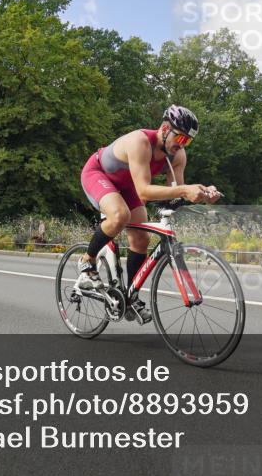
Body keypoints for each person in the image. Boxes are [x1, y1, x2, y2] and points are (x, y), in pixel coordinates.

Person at [77, 105, 221, 322]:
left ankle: (130, 296)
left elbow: (175, 195)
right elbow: (145, 190)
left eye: (187, 142)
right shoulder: (140, 141)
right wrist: (184, 189)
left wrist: (202, 194)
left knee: (141, 240)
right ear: (165, 128)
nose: (182, 145)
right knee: (119, 215)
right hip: (98, 174)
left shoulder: (178, 156)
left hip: (128, 186)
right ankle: (87, 261)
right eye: (180, 138)